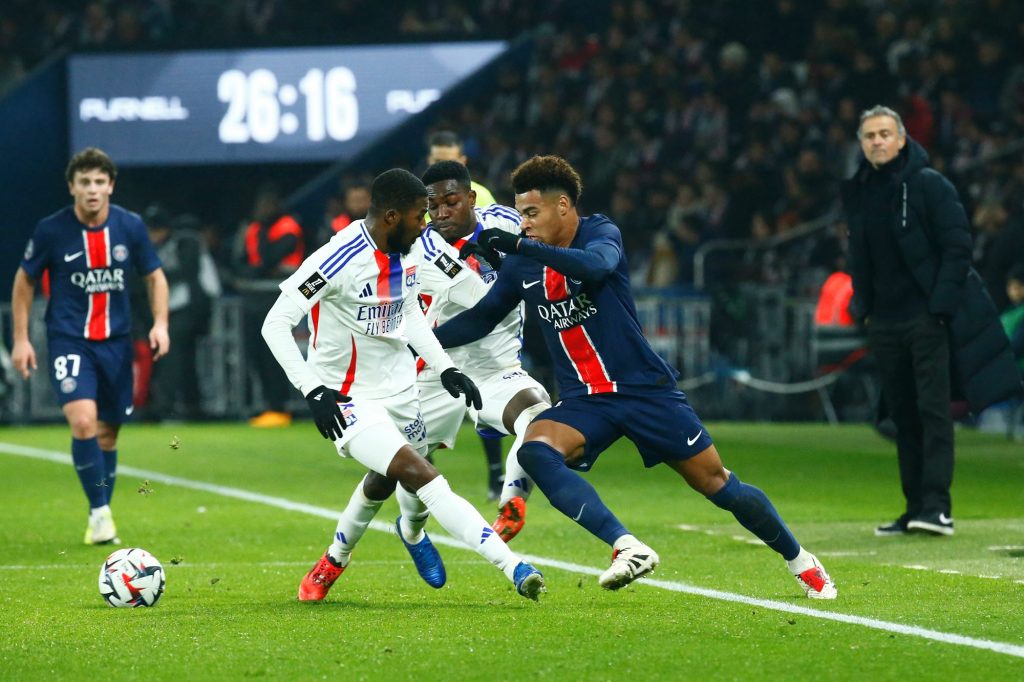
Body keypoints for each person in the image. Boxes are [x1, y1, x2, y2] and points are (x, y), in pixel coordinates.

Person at [435, 155, 837, 598]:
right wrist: (420, 342)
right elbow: (482, 318)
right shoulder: (522, 263)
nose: (523, 223)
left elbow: (596, 267)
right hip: (585, 399)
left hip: (644, 390)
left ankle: (801, 560)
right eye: (520, 214)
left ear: (563, 206)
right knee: (535, 451)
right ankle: (627, 546)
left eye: (531, 213)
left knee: (716, 483)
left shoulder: (600, 232)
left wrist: (520, 246)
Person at [260, 168, 545, 602]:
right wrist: (312, 389)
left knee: (386, 479)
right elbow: (275, 323)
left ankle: (347, 553)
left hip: (402, 390)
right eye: (419, 217)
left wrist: (445, 368)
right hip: (347, 399)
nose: (425, 226)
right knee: (422, 475)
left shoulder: (408, 251)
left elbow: (409, 311)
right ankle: (515, 567)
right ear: (392, 216)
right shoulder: (336, 259)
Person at [842, 105, 1022, 538]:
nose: (878, 141)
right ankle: (914, 508)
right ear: (862, 144)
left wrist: (939, 308)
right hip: (884, 321)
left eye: (885, 134)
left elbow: (958, 247)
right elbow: (859, 256)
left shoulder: (929, 184)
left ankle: (938, 507)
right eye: (870, 136)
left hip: (925, 319)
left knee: (933, 411)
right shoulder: (860, 191)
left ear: (902, 139)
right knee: (903, 415)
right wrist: (864, 307)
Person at [10, 146, 170, 545]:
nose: (92, 189)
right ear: (72, 187)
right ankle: (100, 513)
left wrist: (161, 324)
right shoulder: (51, 230)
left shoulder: (130, 226)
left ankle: (100, 512)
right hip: (70, 339)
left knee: (108, 435)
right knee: (83, 422)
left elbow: (154, 276)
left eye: (100, 181)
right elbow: (24, 280)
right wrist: (21, 338)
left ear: (111, 185)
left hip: (116, 342)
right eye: (85, 182)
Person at [427, 130, 503, 496]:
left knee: (489, 391)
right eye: (436, 159)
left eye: (449, 159)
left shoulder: (484, 198)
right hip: (438, 304)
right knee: (418, 408)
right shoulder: (423, 201)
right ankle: (423, 475)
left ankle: (496, 473)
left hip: (478, 302)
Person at [143, 207, 221, 420]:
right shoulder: (158, 247)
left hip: (189, 308)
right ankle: (191, 405)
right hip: (172, 311)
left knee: (172, 355)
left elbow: (188, 271)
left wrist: (156, 277)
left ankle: (168, 406)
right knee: (184, 359)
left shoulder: (185, 242)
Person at [237, 184, 304, 427]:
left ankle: (280, 406)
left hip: (280, 296)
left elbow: (268, 258)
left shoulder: (288, 226)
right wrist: (254, 270)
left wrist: (256, 270)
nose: (263, 210)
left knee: (274, 352)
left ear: (277, 207)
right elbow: (241, 262)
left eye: (268, 206)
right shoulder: (253, 229)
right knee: (255, 353)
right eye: (260, 206)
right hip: (255, 297)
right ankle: (267, 405)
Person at [427, 130, 496, 207]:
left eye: (450, 162)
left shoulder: (482, 196)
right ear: (429, 160)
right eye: (438, 161)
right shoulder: (419, 198)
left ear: (462, 162)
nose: (443, 167)